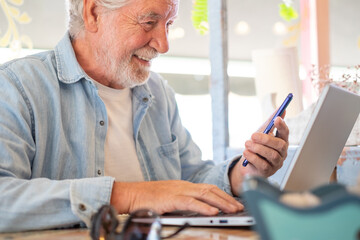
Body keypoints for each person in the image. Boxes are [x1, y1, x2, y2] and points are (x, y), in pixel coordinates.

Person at [0, 0, 289, 232]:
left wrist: (242, 173)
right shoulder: (17, 86)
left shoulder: (157, 92)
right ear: (93, 14)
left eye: (169, 24)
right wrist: (132, 195)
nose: (164, 45)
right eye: (149, 22)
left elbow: (190, 180)